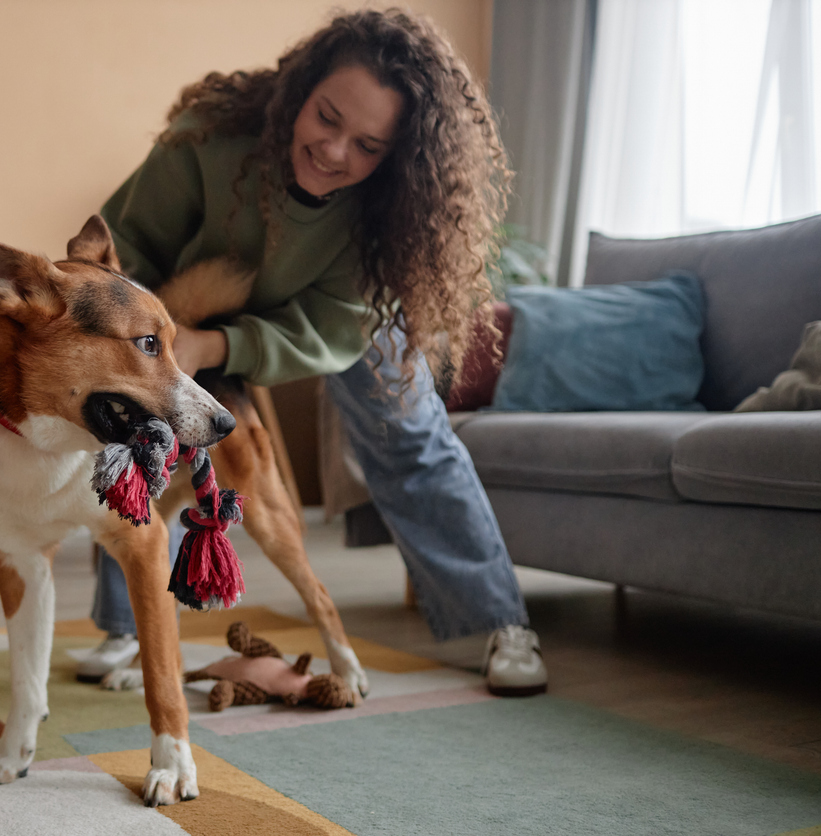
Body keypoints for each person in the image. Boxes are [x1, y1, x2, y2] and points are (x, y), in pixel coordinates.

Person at [75, 8, 547, 696]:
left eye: (367, 145)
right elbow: (124, 257)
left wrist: (226, 345)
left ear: (395, 157)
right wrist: (167, 345)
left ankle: (497, 620)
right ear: (299, 91)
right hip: (192, 299)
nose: (334, 153)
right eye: (327, 118)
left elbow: (331, 325)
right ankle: (131, 624)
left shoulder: (390, 210)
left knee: (410, 433)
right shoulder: (205, 141)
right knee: (137, 426)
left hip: (341, 313)